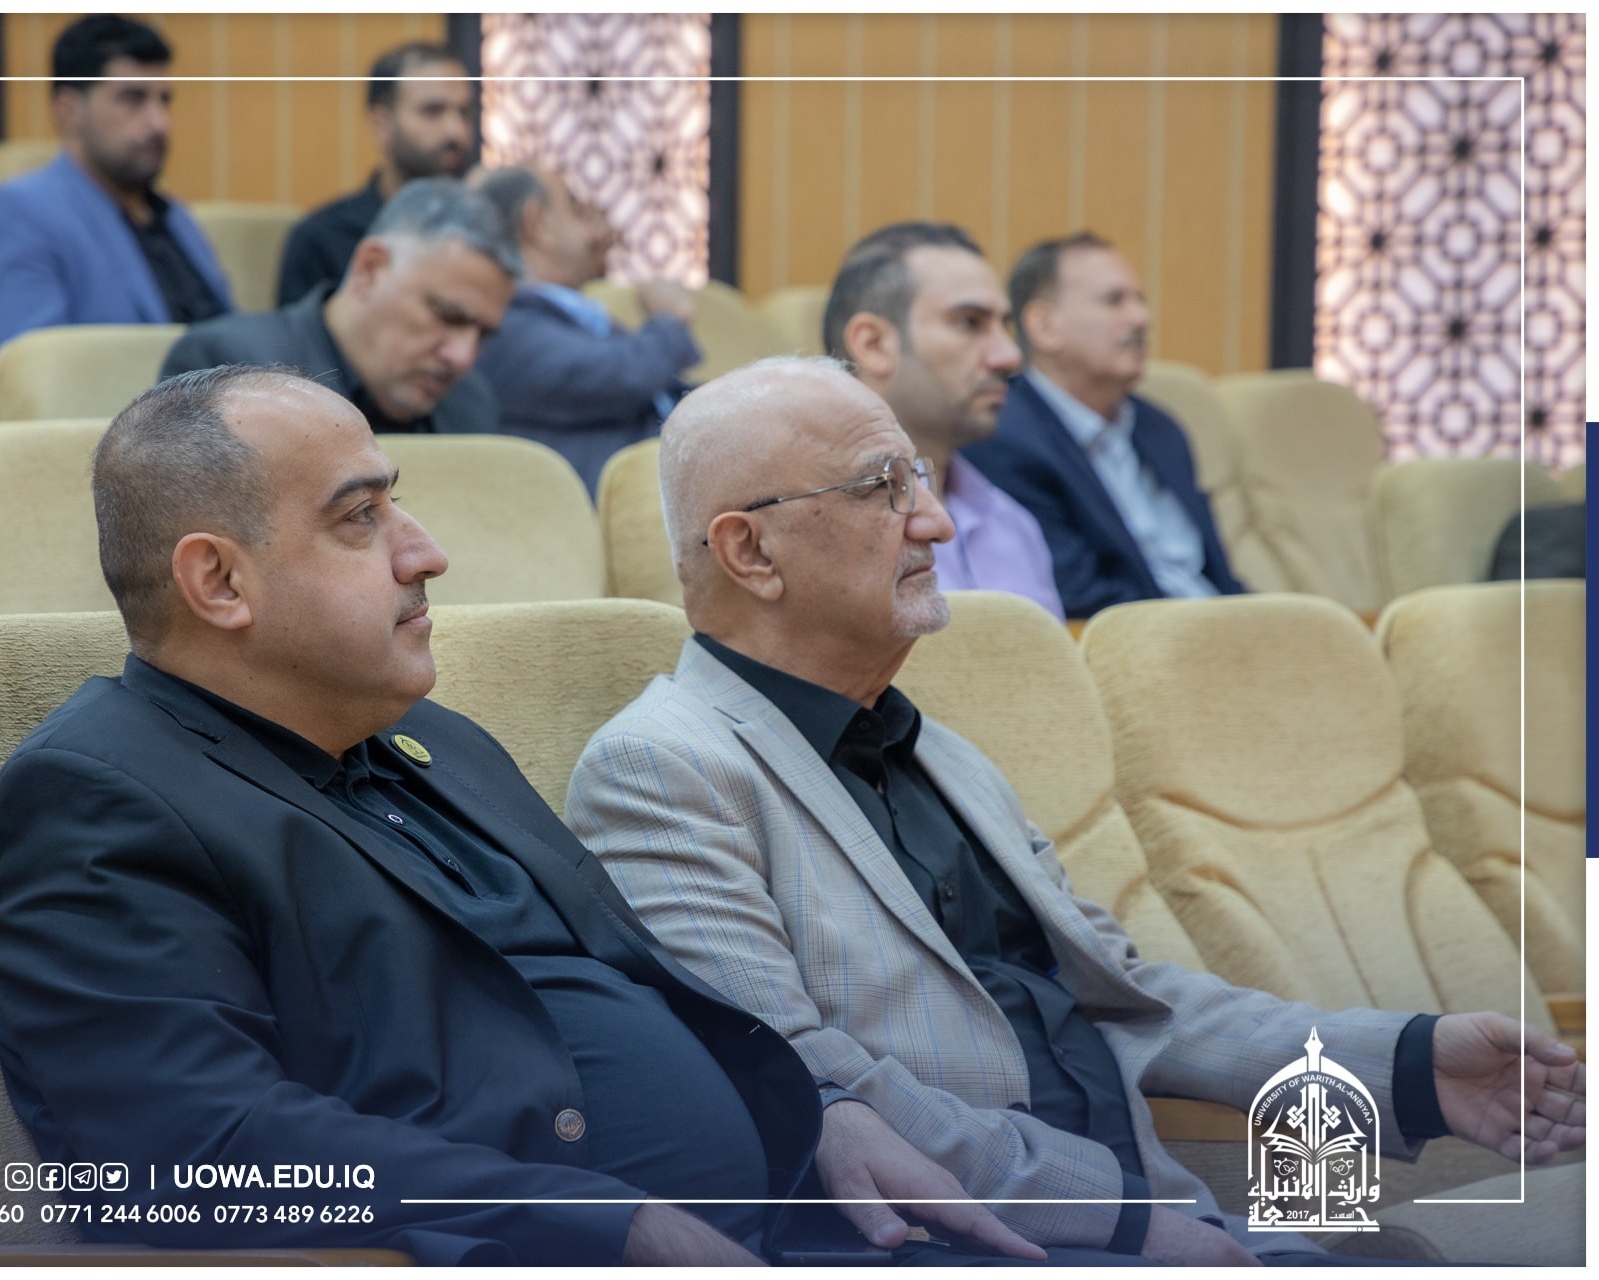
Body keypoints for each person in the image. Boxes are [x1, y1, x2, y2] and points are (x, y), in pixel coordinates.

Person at [0, 361, 1045, 1267]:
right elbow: (190, 1147)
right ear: (218, 581)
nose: (424, 551)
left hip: (807, 1219)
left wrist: (826, 1114)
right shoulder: (98, 795)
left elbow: (650, 986)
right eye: (361, 517)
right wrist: (608, 1220)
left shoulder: (439, 742)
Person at [566, 356, 1587, 1263]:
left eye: (921, 478)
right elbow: (804, 1081)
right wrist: (1131, 1224)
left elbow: (1129, 998)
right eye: (882, 488)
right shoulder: (662, 767)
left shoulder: (947, 753)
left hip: (1166, 1214)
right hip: (973, 1241)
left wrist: (1407, 1066)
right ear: (750, 552)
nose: (936, 522)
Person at [965, 233, 1242, 618]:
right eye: (1114, 301)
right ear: (1044, 326)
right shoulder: (1004, 434)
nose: (1141, 318)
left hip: (1220, 630)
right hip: (1135, 640)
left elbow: (1220, 579)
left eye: (1139, 300)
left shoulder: (1160, 428)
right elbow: (1076, 594)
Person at [825, 221, 1062, 619]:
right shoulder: (815, 523)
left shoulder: (1016, 525)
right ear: (874, 344)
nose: (1010, 357)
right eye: (969, 322)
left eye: (1003, 326)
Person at [0, 15, 230, 357]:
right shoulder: (16, 213)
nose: (159, 123)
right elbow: (36, 371)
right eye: (133, 99)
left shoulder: (176, 216)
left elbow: (233, 336)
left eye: (164, 100)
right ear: (69, 111)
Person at [162, 178, 505, 435]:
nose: (462, 356)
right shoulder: (228, 369)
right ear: (370, 269)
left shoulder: (471, 405)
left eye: (483, 335)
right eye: (448, 316)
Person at [472, 165, 700, 489]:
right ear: (537, 224)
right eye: (575, 209)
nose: (595, 231)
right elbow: (625, 376)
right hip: (614, 500)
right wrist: (671, 316)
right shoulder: (505, 324)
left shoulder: (567, 310)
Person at [276, 41, 475, 308]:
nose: (456, 131)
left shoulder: (486, 233)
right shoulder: (323, 238)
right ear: (381, 125)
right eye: (432, 112)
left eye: (464, 113)